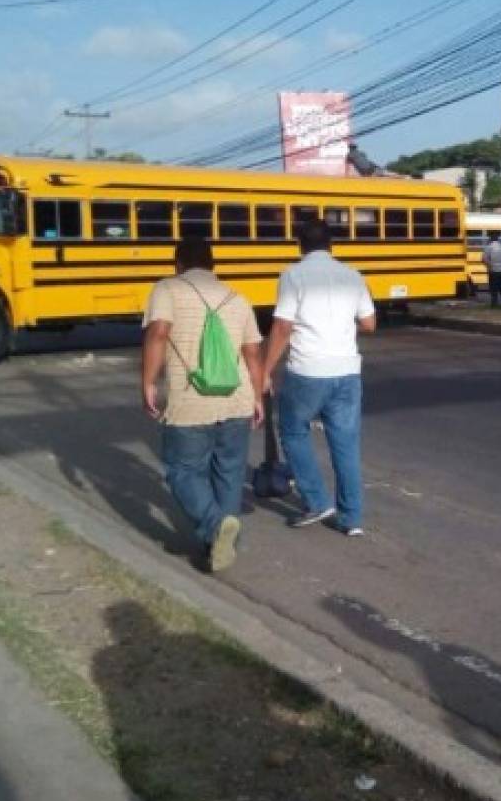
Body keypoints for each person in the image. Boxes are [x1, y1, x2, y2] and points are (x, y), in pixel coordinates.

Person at [142, 238, 264, 573]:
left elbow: (158, 333)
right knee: (229, 473)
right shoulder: (238, 297)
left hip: (190, 400)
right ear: (213, 265)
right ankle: (222, 545)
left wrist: (149, 382)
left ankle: (214, 528)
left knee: (183, 471)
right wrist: (257, 397)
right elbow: (253, 354)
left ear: (177, 265)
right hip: (237, 399)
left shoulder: (168, 289)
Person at [262, 218, 376, 537]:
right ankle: (351, 518)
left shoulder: (293, 275)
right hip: (347, 371)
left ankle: (317, 501)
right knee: (346, 444)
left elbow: (283, 328)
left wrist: (265, 370)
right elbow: (369, 324)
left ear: (299, 245)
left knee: (293, 431)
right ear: (332, 245)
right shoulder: (353, 276)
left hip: (308, 371)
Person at [482, 231, 501, 308]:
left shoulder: (488, 247)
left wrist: (489, 266)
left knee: (493, 288)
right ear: (498, 239)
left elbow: (484, 259)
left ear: (491, 239)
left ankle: (494, 304)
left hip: (493, 271)